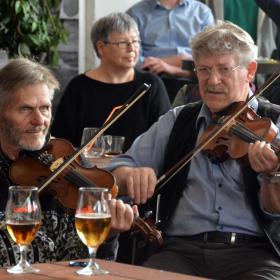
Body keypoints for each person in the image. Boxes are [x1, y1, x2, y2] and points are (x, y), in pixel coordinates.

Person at [108, 21, 280, 279]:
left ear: (250, 71)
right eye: (204, 70)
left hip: (254, 255)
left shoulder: (274, 123)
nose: (213, 81)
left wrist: (271, 176)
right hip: (179, 252)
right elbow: (112, 172)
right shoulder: (177, 121)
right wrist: (129, 174)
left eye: (224, 69)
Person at [0, 57, 136, 267]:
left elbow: (75, 261)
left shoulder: (64, 163)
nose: (39, 121)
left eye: (45, 108)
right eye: (26, 109)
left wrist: (106, 236)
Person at [51, 12, 170, 151]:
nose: (132, 48)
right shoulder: (78, 87)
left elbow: (165, 138)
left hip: (137, 169)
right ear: (101, 47)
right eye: (123, 43)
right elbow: (61, 141)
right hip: (88, 169)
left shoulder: (151, 84)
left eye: (135, 41)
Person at [126, 0, 214, 77]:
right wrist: (181, 61)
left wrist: (171, 68)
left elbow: (210, 59)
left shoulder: (203, 12)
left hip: (195, 80)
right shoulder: (134, 14)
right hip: (152, 78)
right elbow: (133, 60)